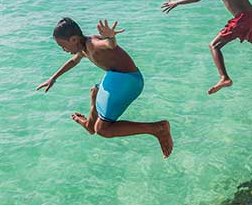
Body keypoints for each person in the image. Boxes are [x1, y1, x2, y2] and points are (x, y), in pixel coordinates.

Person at [37, 18, 173, 158]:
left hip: (128, 81)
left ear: (73, 39)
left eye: (63, 46)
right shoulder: (83, 49)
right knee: (94, 92)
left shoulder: (93, 44)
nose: (64, 50)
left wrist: (110, 37)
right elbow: (73, 61)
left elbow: (110, 45)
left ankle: (158, 128)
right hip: (116, 77)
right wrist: (53, 77)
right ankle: (89, 125)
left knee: (103, 130)